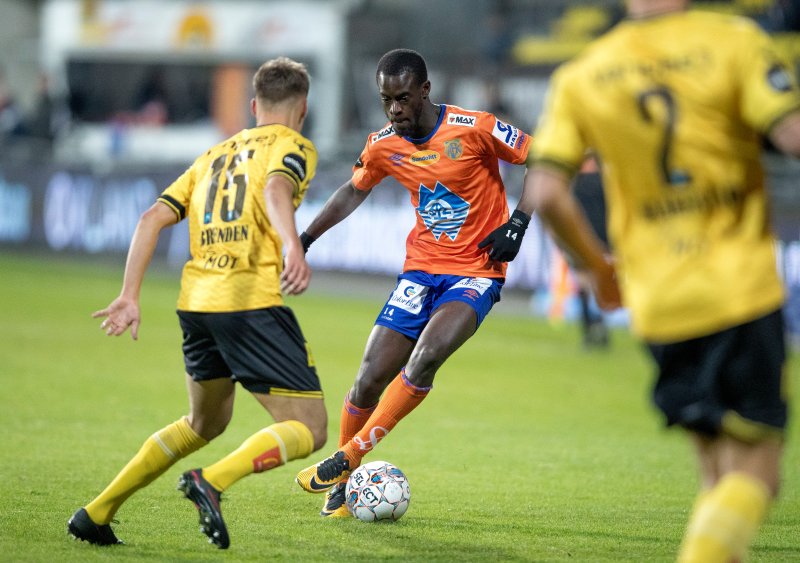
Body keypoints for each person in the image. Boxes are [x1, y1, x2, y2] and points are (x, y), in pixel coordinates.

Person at [523, 0, 800, 561]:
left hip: (659, 302)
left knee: (717, 477)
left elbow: (546, 194)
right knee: (758, 477)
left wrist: (596, 268)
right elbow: (792, 136)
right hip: (738, 288)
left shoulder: (582, 74)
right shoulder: (735, 41)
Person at [67, 57, 327, 550]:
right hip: (248, 302)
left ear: (253, 106)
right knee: (309, 428)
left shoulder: (213, 155)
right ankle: (214, 481)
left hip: (197, 305)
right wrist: (293, 245)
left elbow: (150, 218)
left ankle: (96, 512)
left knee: (205, 422)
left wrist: (129, 294)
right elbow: (276, 188)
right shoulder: (293, 145)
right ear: (303, 108)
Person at [293, 48, 532, 517]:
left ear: (425, 90)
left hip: (476, 272)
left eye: (403, 98)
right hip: (420, 272)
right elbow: (352, 190)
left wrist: (518, 223)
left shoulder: (475, 126)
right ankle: (342, 488)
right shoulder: (384, 143)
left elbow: (541, 157)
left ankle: (348, 458)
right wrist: (306, 237)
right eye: (387, 100)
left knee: (425, 358)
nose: (395, 109)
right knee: (367, 379)